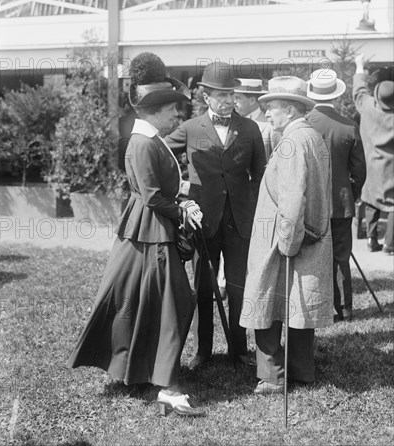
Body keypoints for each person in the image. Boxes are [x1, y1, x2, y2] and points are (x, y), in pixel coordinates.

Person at [68, 52, 205, 417]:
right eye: (172, 110)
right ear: (153, 111)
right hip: (151, 233)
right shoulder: (143, 142)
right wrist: (182, 209)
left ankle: (142, 369)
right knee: (173, 304)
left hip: (149, 229)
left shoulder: (149, 138)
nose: (177, 115)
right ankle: (169, 386)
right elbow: (152, 195)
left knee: (146, 301)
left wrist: (182, 197)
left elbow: (158, 189)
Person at [166, 61, 266, 370]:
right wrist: (181, 190)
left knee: (237, 286)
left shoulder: (249, 128)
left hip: (239, 222)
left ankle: (239, 349)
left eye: (230, 94)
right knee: (204, 288)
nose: (226, 100)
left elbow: (261, 174)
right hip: (202, 222)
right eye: (219, 95)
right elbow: (158, 155)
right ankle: (203, 352)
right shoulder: (191, 128)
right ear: (206, 97)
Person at [240, 76, 333, 394]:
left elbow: (293, 200)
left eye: (272, 108)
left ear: (291, 110)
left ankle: (271, 376)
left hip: (283, 240)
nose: (266, 114)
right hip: (307, 237)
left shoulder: (293, 142)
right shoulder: (312, 136)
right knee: (296, 306)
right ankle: (301, 371)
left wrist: (287, 243)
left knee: (263, 302)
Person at [307, 69, 366, 321]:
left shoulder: (304, 124)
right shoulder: (349, 126)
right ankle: (345, 309)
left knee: (311, 257)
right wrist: (350, 193)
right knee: (341, 257)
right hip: (341, 204)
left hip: (310, 204)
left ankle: (316, 307)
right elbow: (360, 171)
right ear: (336, 95)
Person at [352, 54, 394, 255]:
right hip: (392, 169)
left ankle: (370, 239)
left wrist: (360, 67)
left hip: (371, 165)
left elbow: (359, 91)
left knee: (370, 199)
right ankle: (389, 245)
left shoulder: (367, 107)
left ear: (376, 95)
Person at [234, 78, 281, 160]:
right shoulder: (232, 122)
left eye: (238, 98)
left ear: (252, 100)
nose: (234, 101)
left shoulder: (270, 126)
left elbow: (277, 160)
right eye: (233, 97)